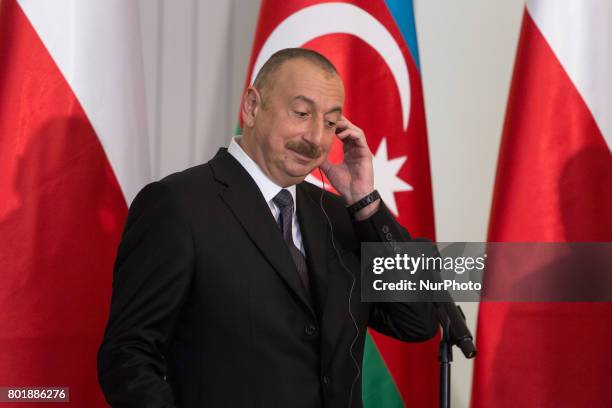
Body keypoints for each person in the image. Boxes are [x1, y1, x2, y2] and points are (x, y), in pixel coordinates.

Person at [97, 48, 438, 408]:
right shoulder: (179, 205)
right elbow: (128, 355)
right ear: (252, 106)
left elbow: (417, 321)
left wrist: (366, 202)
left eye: (330, 122)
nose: (316, 138)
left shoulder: (341, 216)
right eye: (302, 114)